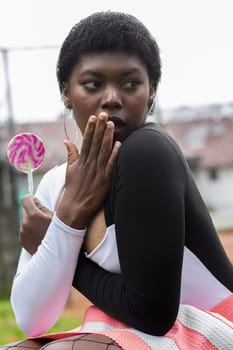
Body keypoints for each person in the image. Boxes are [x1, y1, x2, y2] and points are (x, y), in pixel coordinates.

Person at [2, 10, 233, 350]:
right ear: (67, 92)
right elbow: (32, 319)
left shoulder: (149, 152)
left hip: (212, 325)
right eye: (93, 84)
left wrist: (55, 240)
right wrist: (67, 221)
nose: (112, 97)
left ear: (150, 93)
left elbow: (153, 313)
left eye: (131, 84)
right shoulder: (54, 184)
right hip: (127, 331)